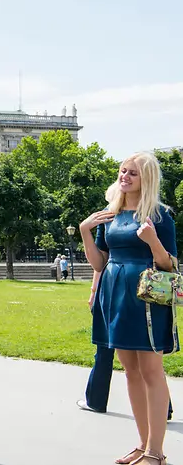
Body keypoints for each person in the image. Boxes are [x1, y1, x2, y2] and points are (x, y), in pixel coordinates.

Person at [80, 152, 177, 465]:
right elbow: (99, 262)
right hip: (114, 294)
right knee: (131, 371)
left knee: (151, 371)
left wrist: (152, 240)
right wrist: (85, 231)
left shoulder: (160, 216)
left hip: (146, 299)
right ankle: (143, 443)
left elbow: (169, 264)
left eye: (132, 173)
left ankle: (156, 452)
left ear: (146, 179)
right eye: (123, 171)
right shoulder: (110, 215)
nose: (125, 177)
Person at [79, 269, 173, 420]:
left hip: (115, 287)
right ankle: (162, 409)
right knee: (149, 358)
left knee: (105, 351)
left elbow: (101, 263)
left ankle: (96, 400)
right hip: (143, 287)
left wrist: (94, 290)